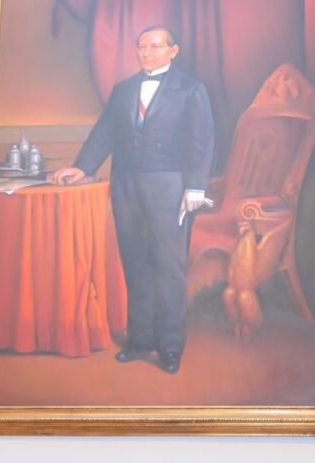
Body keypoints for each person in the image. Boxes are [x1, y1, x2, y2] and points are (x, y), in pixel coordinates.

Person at [51, 25, 215, 375]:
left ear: (173, 51)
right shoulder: (123, 90)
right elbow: (104, 133)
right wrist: (82, 167)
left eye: (154, 46)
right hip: (126, 187)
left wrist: (195, 188)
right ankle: (140, 340)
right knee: (136, 264)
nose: (146, 52)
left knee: (169, 268)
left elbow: (201, 140)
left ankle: (170, 347)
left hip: (169, 188)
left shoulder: (191, 90)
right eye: (141, 46)